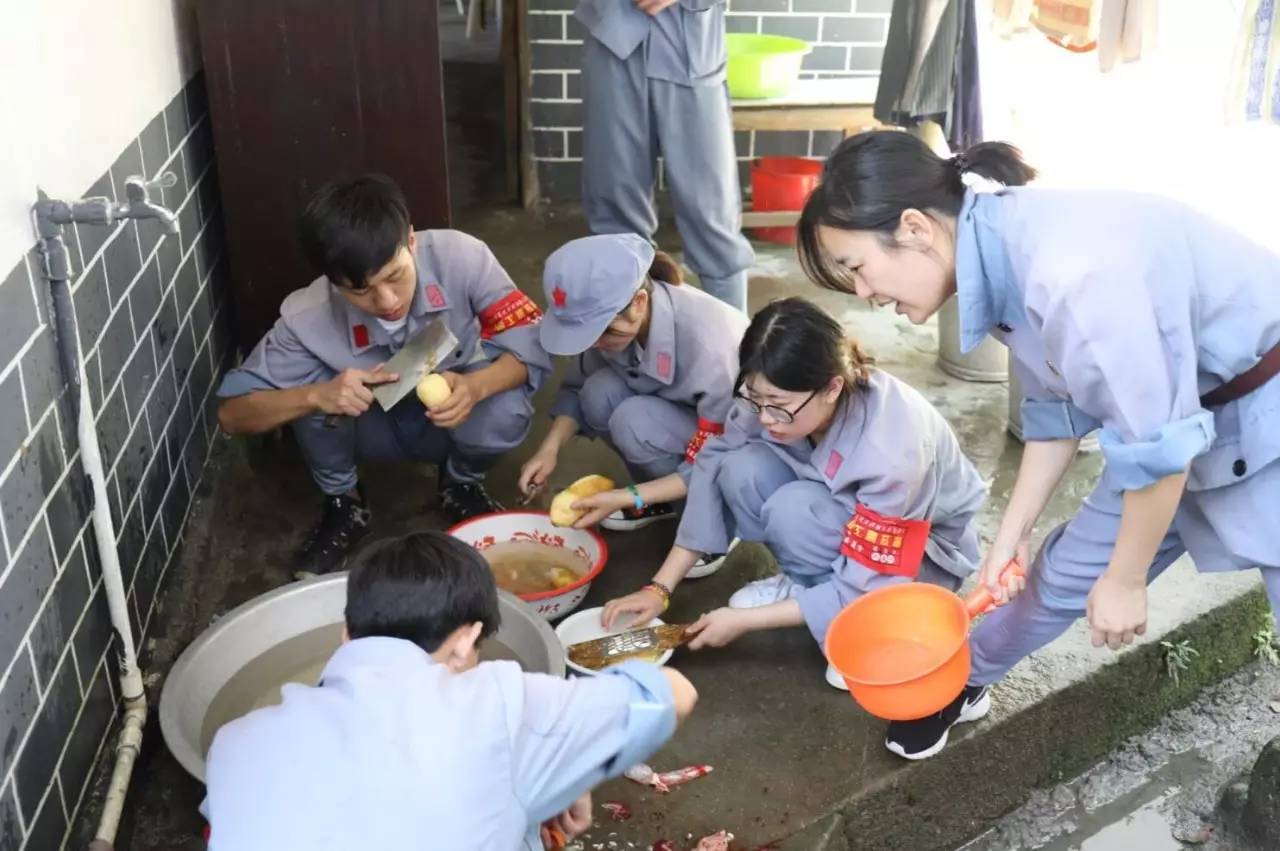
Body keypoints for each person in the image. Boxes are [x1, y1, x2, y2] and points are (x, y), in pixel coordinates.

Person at [796, 129, 1280, 760]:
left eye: (856, 268)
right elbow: (1057, 411)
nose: (863, 294)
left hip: (1258, 411)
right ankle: (958, 684)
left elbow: (1159, 448)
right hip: (1176, 426)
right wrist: (1011, 535)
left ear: (915, 228)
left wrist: (1127, 580)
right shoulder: (996, 254)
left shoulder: (1073, 272)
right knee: (1052, 578)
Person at [202, 531, 698, 851]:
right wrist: (575, 763)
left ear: (346, 634)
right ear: (464, 641)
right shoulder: (497, 704)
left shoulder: (235, 741)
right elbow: (672, 693)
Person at [600, 298, 987, 690]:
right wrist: (659, 589)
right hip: (837, 515)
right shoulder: (773, 392)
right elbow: (711, 467)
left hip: (916, 556)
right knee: (739, 468)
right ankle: (808, 582)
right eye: (755, 398)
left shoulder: (893, 447)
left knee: (795, 510)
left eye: (779, 407)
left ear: (832, 387)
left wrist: (742, 623)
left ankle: (853, 627)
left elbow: (872, 573)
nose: (765, 418)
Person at [216, 175, 551, 577]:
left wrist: (477, 388)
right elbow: (232, 415)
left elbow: (532, 346)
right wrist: (316, 396)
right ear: (332, 282)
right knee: (309, 393)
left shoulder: (464, 258)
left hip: (450, 420)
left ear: (411, 241)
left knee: (505, 409)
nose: (387, 301)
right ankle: (345, 504)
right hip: (371, 430)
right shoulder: (307, 316)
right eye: (361, 291)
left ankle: (461, 482)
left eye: (395, 276)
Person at [518, 234, 749, 575]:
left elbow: (718, 453)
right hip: (682, 423)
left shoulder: (711, 346)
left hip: (734, 445)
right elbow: (578, 386)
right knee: (597, 392)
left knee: (634, 421)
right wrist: (549, 449)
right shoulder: (615, 324)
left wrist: (629, 497)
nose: (594, 344)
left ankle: (716, 523)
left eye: (603, 332)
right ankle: (662, 500)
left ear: (639, 301)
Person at [575, 0, 755, 312]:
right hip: (613, 39)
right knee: (615, 210)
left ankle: (733, 347)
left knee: (711, 213)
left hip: (691, 44)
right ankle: (629, 345)